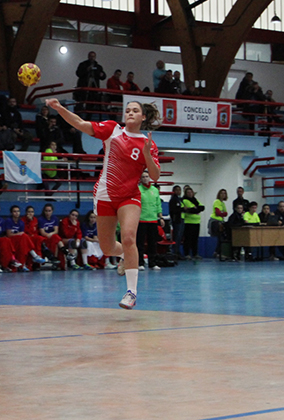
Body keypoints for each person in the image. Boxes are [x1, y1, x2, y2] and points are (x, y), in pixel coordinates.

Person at [46, 97, 160, 308]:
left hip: (129, 197)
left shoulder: (148, 143)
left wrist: (147, 156)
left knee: (128, 238)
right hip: (105, 195)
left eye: (135, 110)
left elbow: (154, 176)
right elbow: (80, 124)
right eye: (127, 110)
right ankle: (129, 255)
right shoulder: (112, 130)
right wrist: (59, 109)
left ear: (143, 117)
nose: (130, 113)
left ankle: (131, 292)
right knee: (107, 247)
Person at [137, 171, 163, 270]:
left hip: (153, 220)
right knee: (140, 243)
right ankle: (140, 263)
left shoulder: (155, 190)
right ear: (140, 179)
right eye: (143, 177)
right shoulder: (138, 190)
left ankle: (152, 263)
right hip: (141, 220)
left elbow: (158, 205)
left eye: (147, 176)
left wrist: (160, 217)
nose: (145, 178)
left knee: (153, 243)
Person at [4, 205, 35, 272]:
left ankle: (22, 265)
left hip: (19, 240)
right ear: (11, 213)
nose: (16, 213)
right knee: (24, 236)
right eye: (14, 211)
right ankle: (34, 254)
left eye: (18, 211)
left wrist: (20, 234)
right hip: (11, 240)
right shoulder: (9, 221)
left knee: (23, 245)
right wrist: (19, 234)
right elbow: (9, 235)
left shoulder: (21, 222)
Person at [182, 187, 204, 261]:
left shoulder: (195, 200)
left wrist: (196, 208)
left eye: (191, 192)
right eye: (188, 192)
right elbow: (191, 210)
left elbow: (202, 207)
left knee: (195, 239)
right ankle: (187, 254)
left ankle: (195, 254)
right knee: (188, 239)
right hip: (188, 222)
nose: (190, 194)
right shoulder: (185, 200)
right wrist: (196, 209)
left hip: (196, 222)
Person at [212, 189, 229, 259]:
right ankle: (218, 252)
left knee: (222, 238)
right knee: (220, 238)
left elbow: (226, 213)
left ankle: (217, 252)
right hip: (216, 221)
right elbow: (218, 213)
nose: (223, 195)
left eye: (224, 193)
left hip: (221, 221)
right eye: (221, 193)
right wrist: (222, 214)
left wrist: (223, 214)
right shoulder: (217, 202)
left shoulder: (223, 203)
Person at [168, 185, 184, 259]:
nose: (178, 191)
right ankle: (175, 252)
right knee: (176, 237)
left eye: (179, 190)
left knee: (180, 237)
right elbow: (174, 210)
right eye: (177, 190)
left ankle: (177, 252)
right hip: (176, 220)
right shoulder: (173, 200)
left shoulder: (180, 199)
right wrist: (182, 209)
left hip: (181, 219)